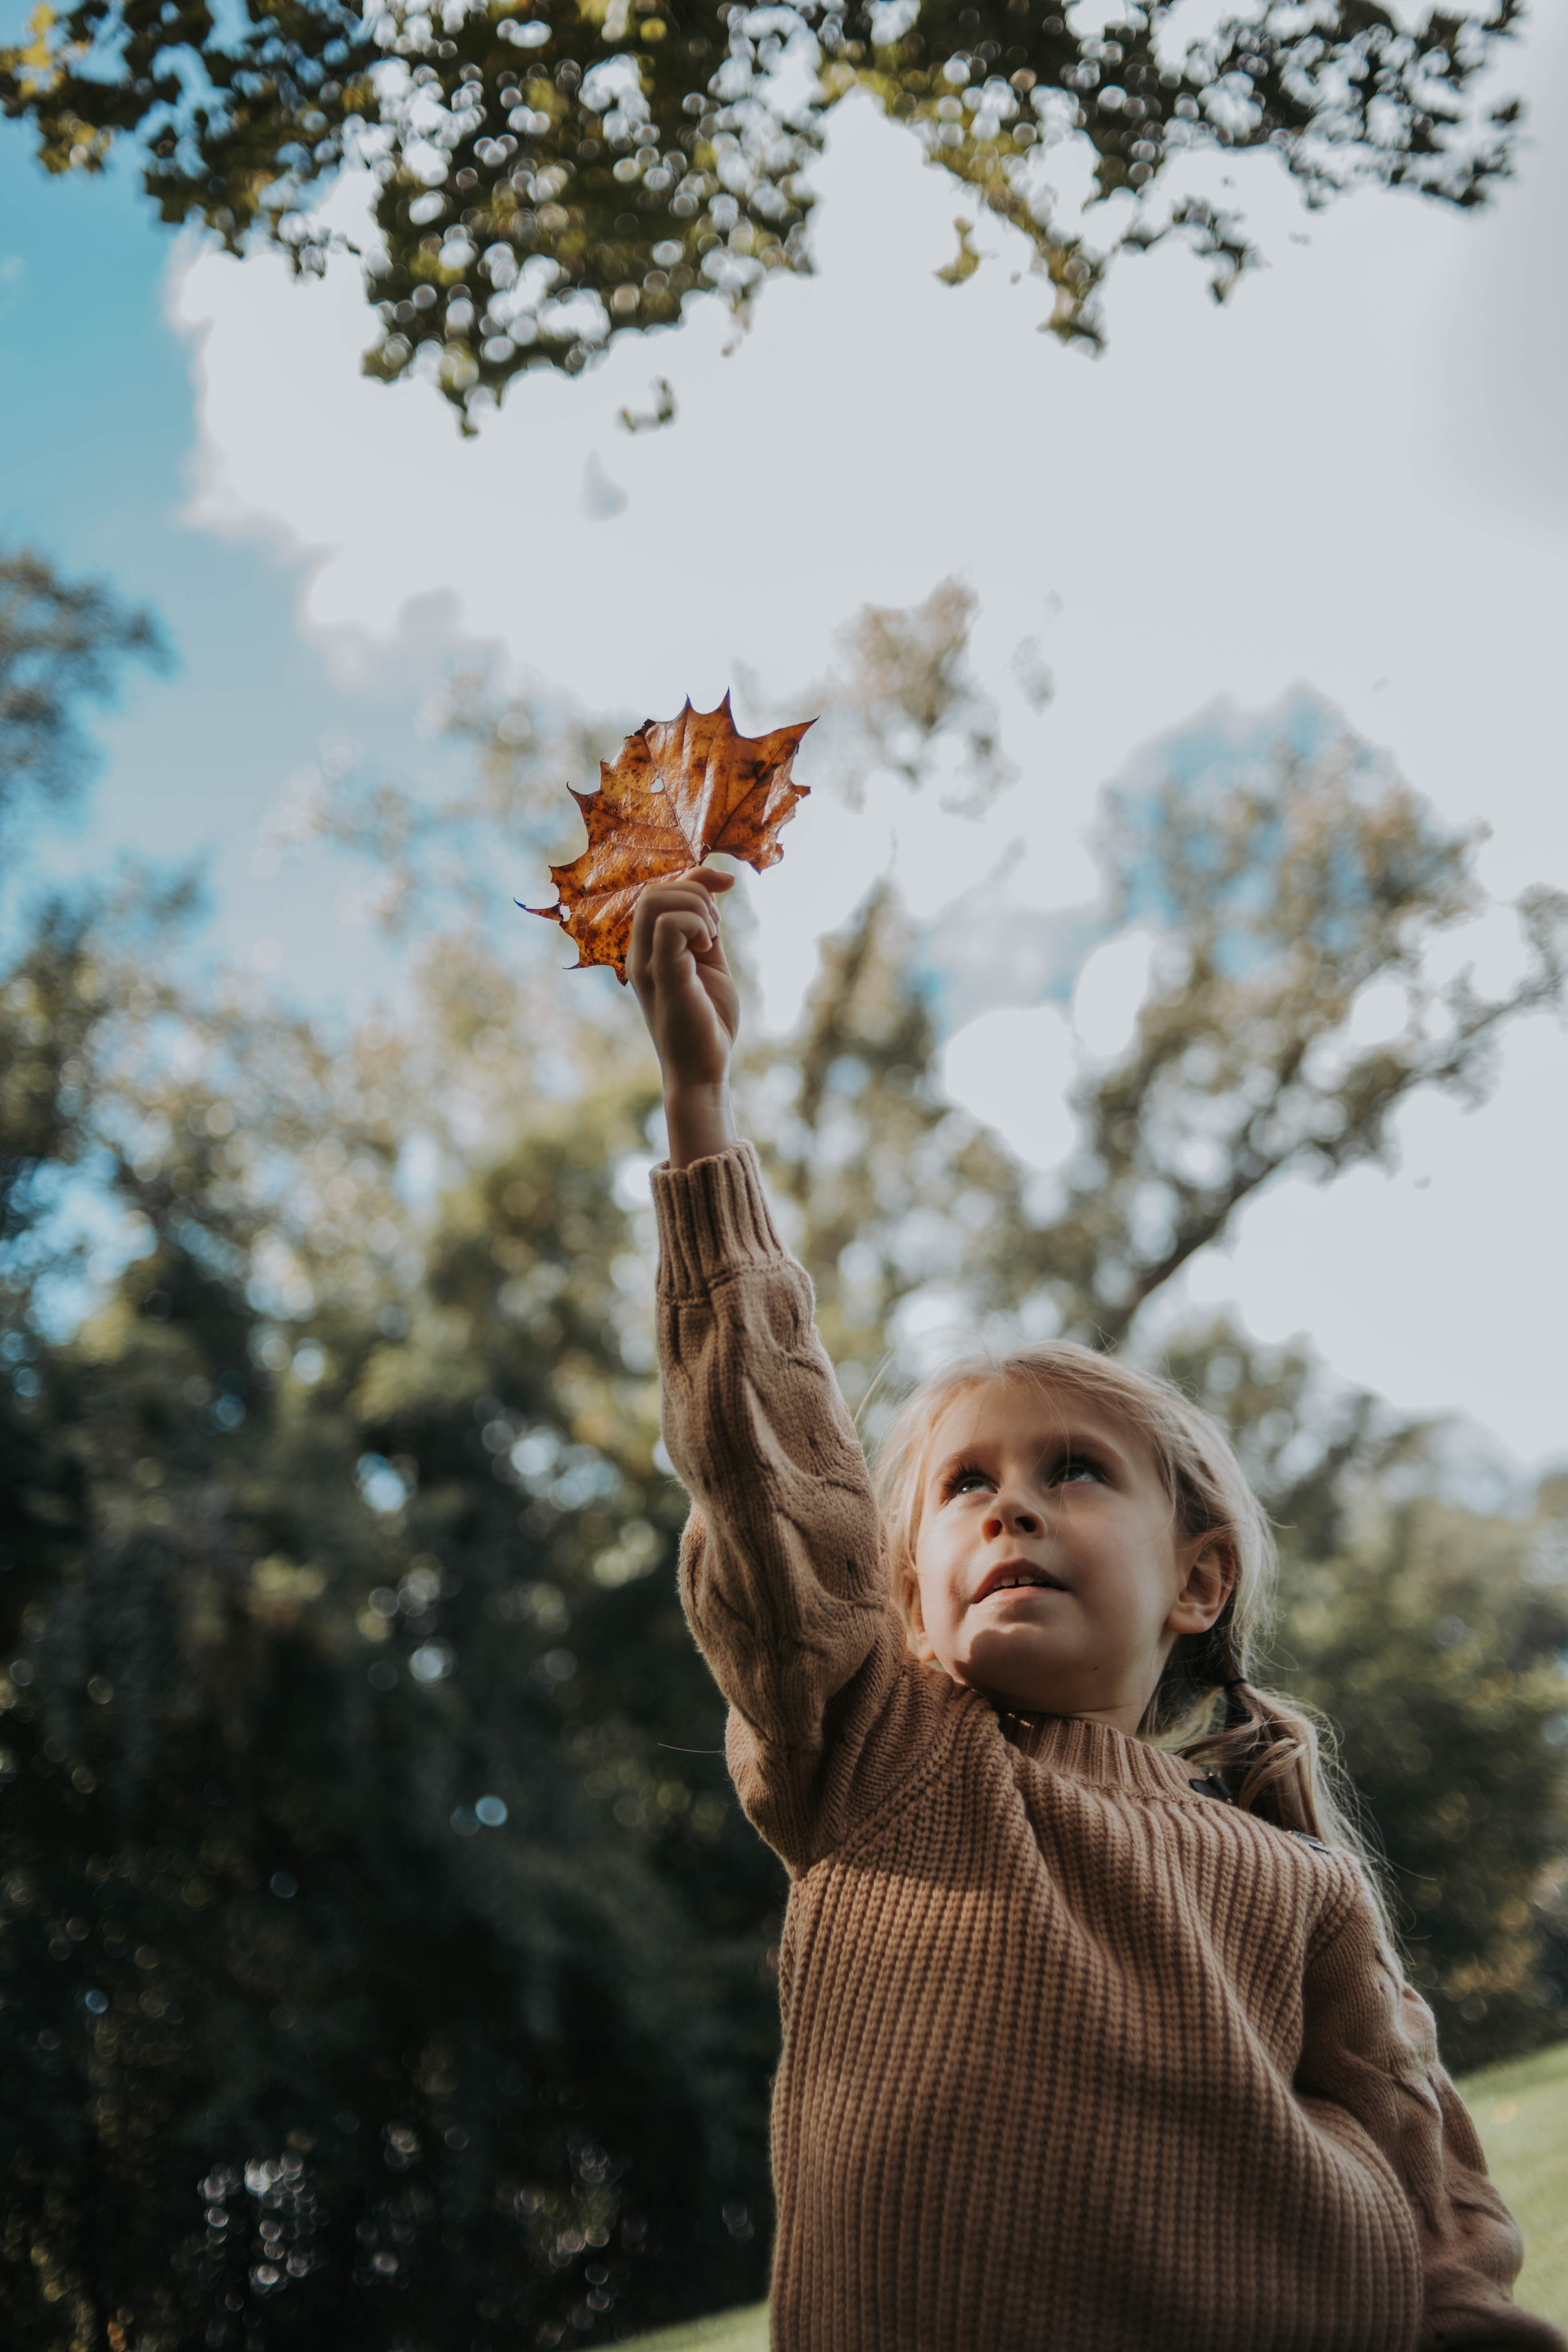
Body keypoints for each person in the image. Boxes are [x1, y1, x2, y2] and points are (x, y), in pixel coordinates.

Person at [627, 863, 1563, 2352]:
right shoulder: (875, 1755)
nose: (1008, 1504)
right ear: (907, 1607)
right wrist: (699, 1112)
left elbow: (1434, 2208)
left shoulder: (1296, 1885)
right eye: (960, 1488)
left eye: (1073, 1473)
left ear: (1199, 1579)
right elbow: (766, 1482)